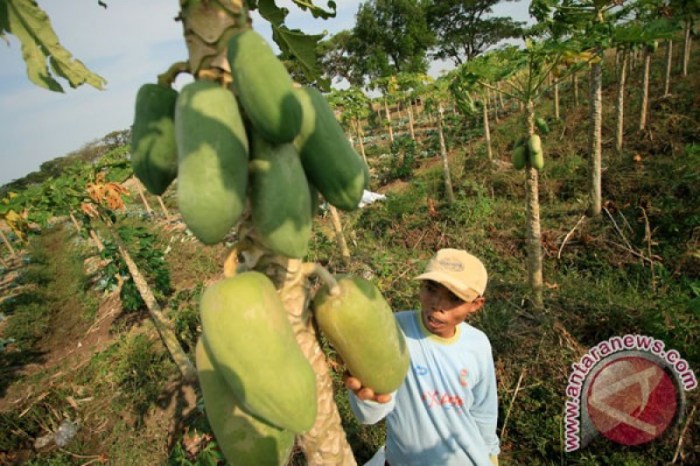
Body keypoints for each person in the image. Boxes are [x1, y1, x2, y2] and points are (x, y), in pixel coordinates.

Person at [345, 248, 500, 466]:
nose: (437, 305)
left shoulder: (478, 344)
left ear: (476, 304)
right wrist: (367, 395)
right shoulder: (393, 330)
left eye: (454, 298)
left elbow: (484, 411)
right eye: (431, 289)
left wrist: (491, 456)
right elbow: (369, 416)